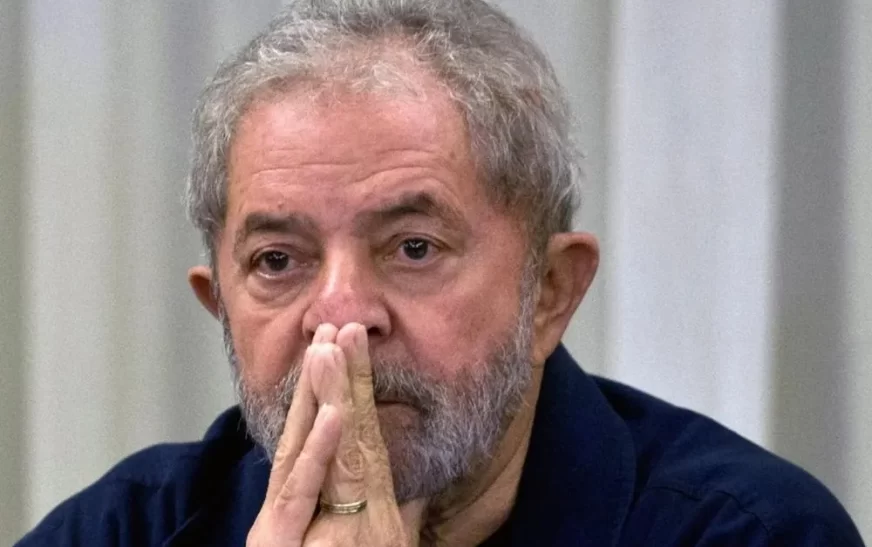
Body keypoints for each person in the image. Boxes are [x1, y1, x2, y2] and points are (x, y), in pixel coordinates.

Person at [17, 0, 865, 545]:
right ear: (220, 308)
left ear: (550, 293)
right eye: (277, 261)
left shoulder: (752, 533)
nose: (340, 315)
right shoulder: (117, 530)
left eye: (413, 247)